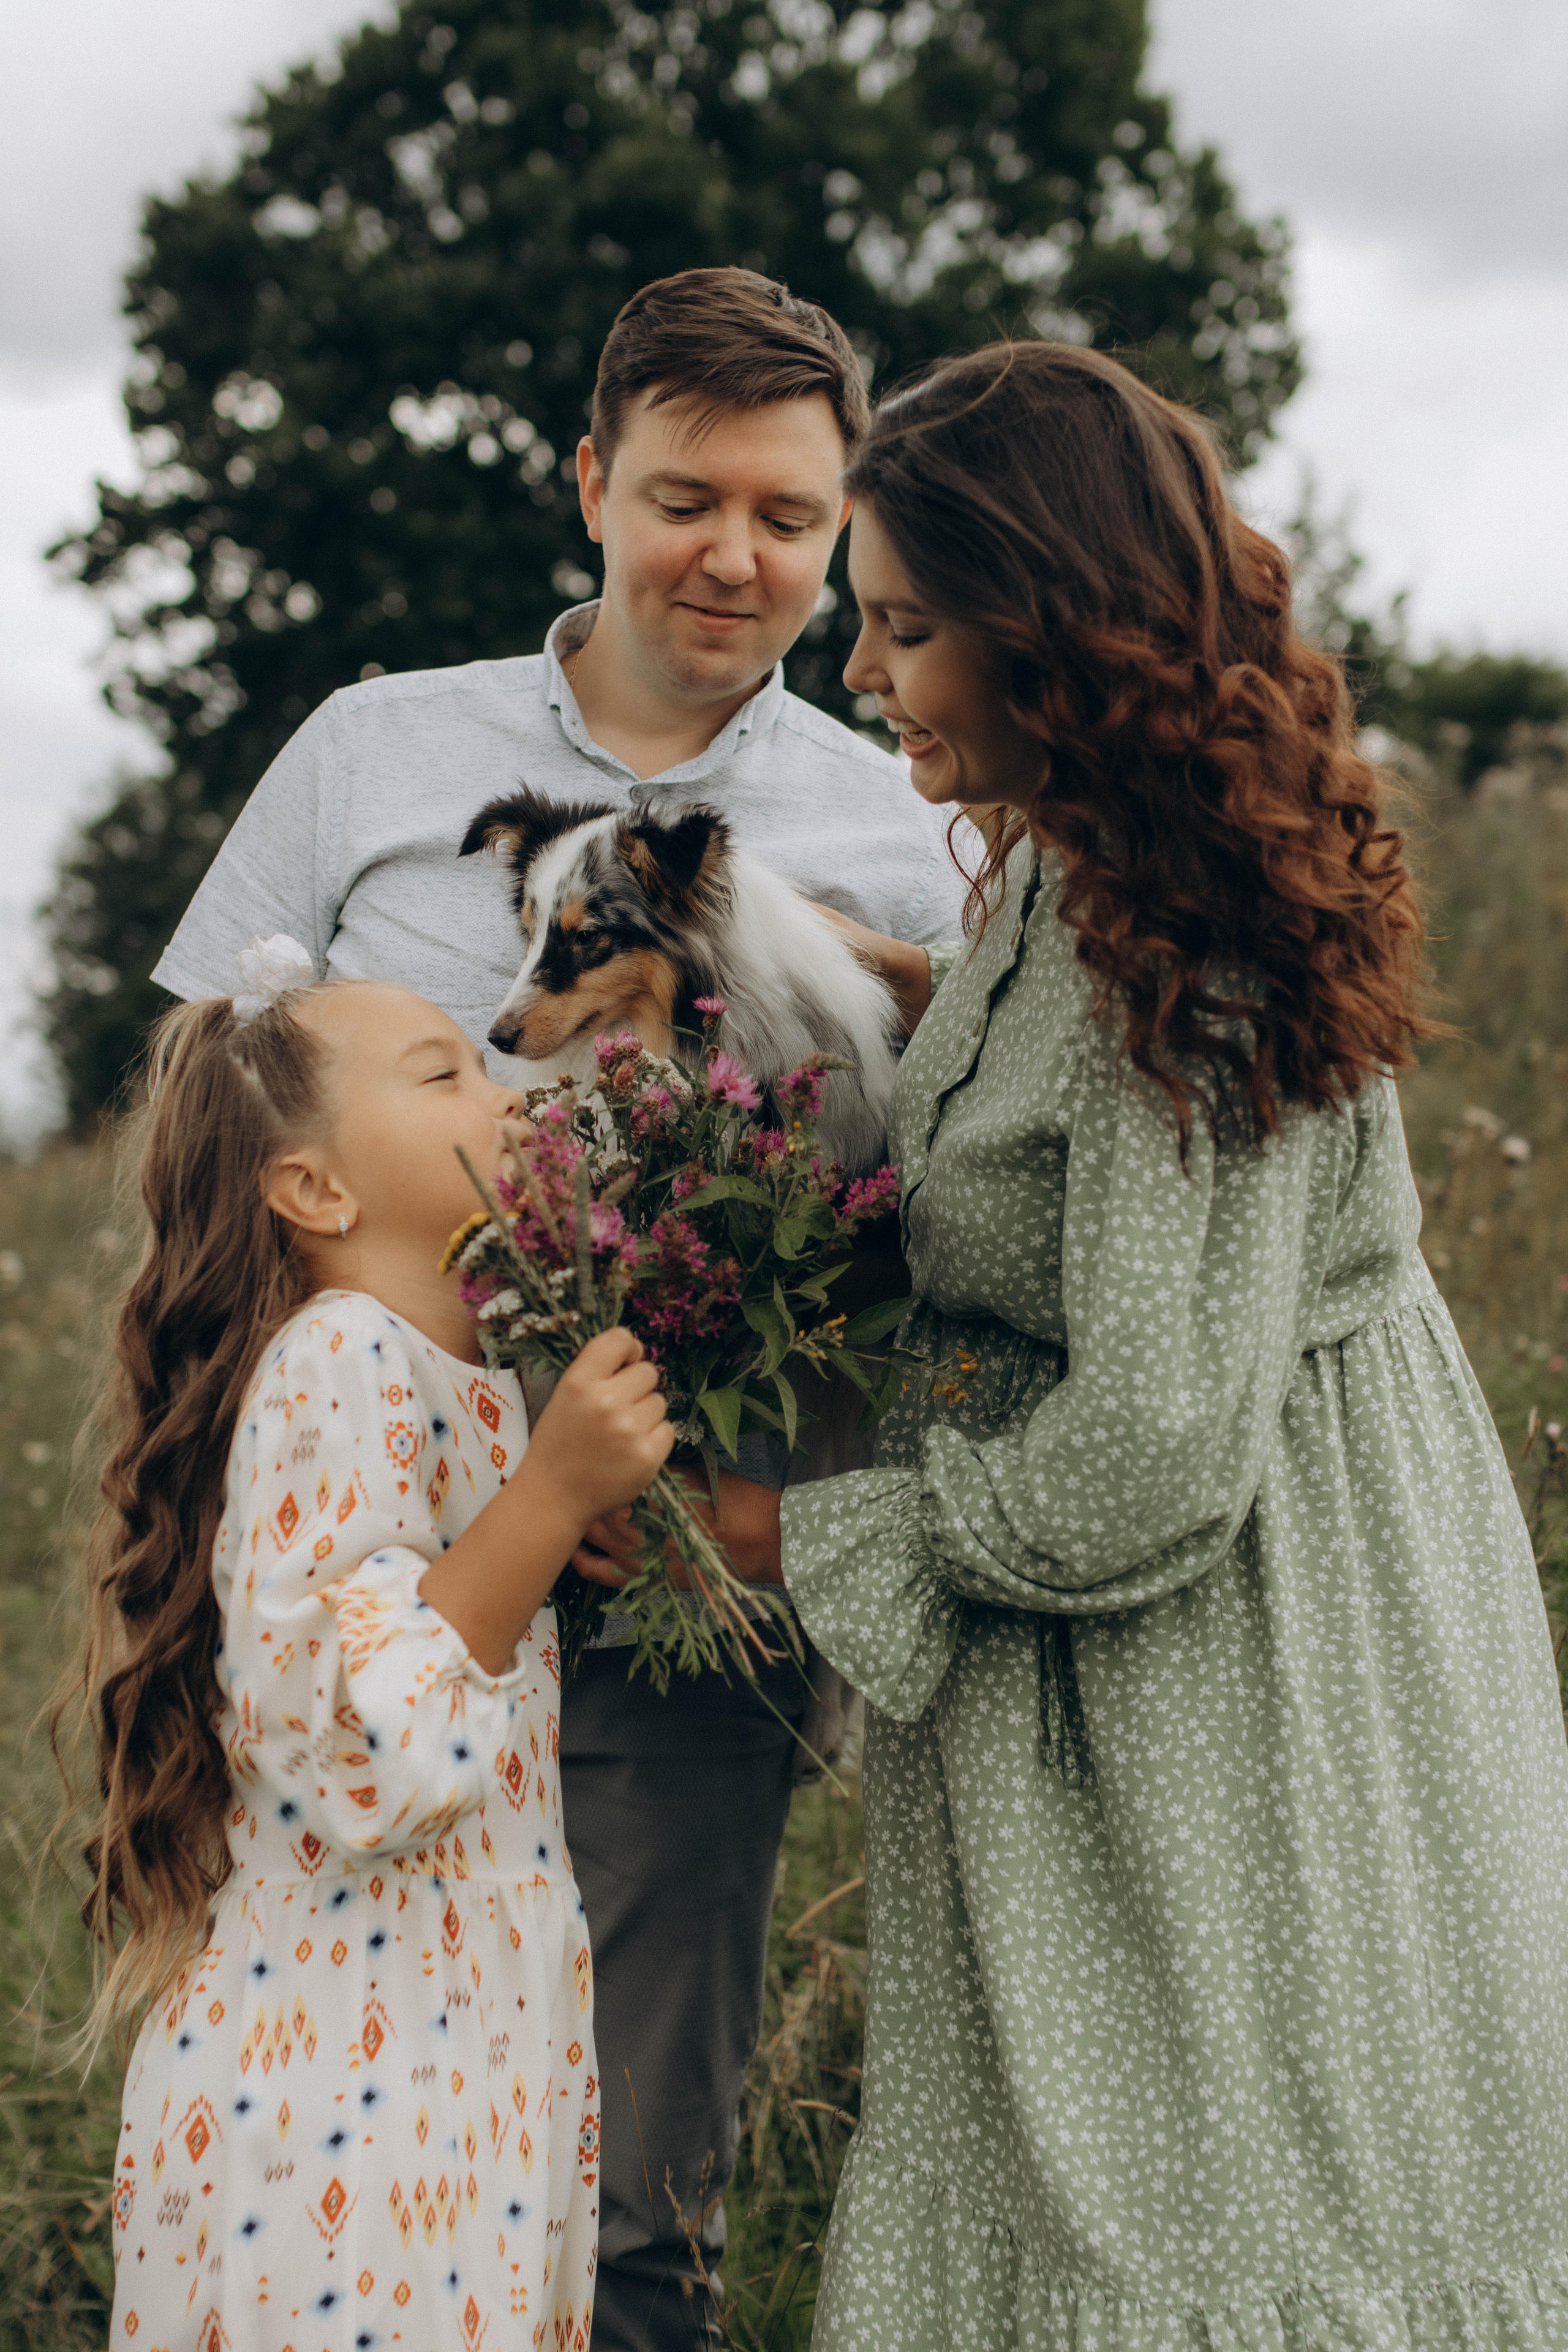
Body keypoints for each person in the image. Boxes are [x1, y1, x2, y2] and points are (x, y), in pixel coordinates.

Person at [589, 341, 1568, 2346]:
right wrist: (859, 988)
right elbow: (1029, 1128)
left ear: (1059, 632)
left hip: (1234, 1665)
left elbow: (1145, 1461)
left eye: (910, 629)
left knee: (1206, 2227)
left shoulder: (1194, 960)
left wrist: (782, 1538)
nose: (865, 676)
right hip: (1114, 1684)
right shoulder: (1061, 866)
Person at [149, 266, 967, 2347]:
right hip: (346, 1538)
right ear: (595, 479)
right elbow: (195, 1124)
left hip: (691, 1537)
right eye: (689, 495)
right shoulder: (372, 750)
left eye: (794, 517)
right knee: (342, 2129)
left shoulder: (904, 826)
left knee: (622, 2181)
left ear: (844, 522)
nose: (738, 555)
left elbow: (948, 1202)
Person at [69, 956, 675, 2350]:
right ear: (317, 1194)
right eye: (443, 1073)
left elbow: (430, 1618)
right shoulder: (338, 1356)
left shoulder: (443, 1373)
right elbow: (347, 1748)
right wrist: (547, 1500)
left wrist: (555, 1520)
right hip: (352, 2069)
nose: (506, 1088)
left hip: (445, 2043)